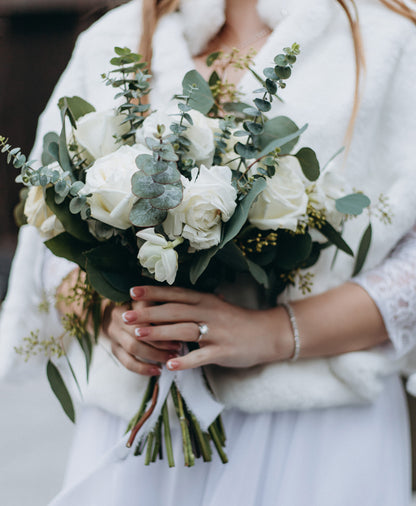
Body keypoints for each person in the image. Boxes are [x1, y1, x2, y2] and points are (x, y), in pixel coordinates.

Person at [1, 0, 416, 504]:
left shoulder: (391, 41)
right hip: (140, 425)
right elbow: (47, 229)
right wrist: (110, 315)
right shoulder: (118, 38)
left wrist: (275, 331)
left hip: (314, 430)